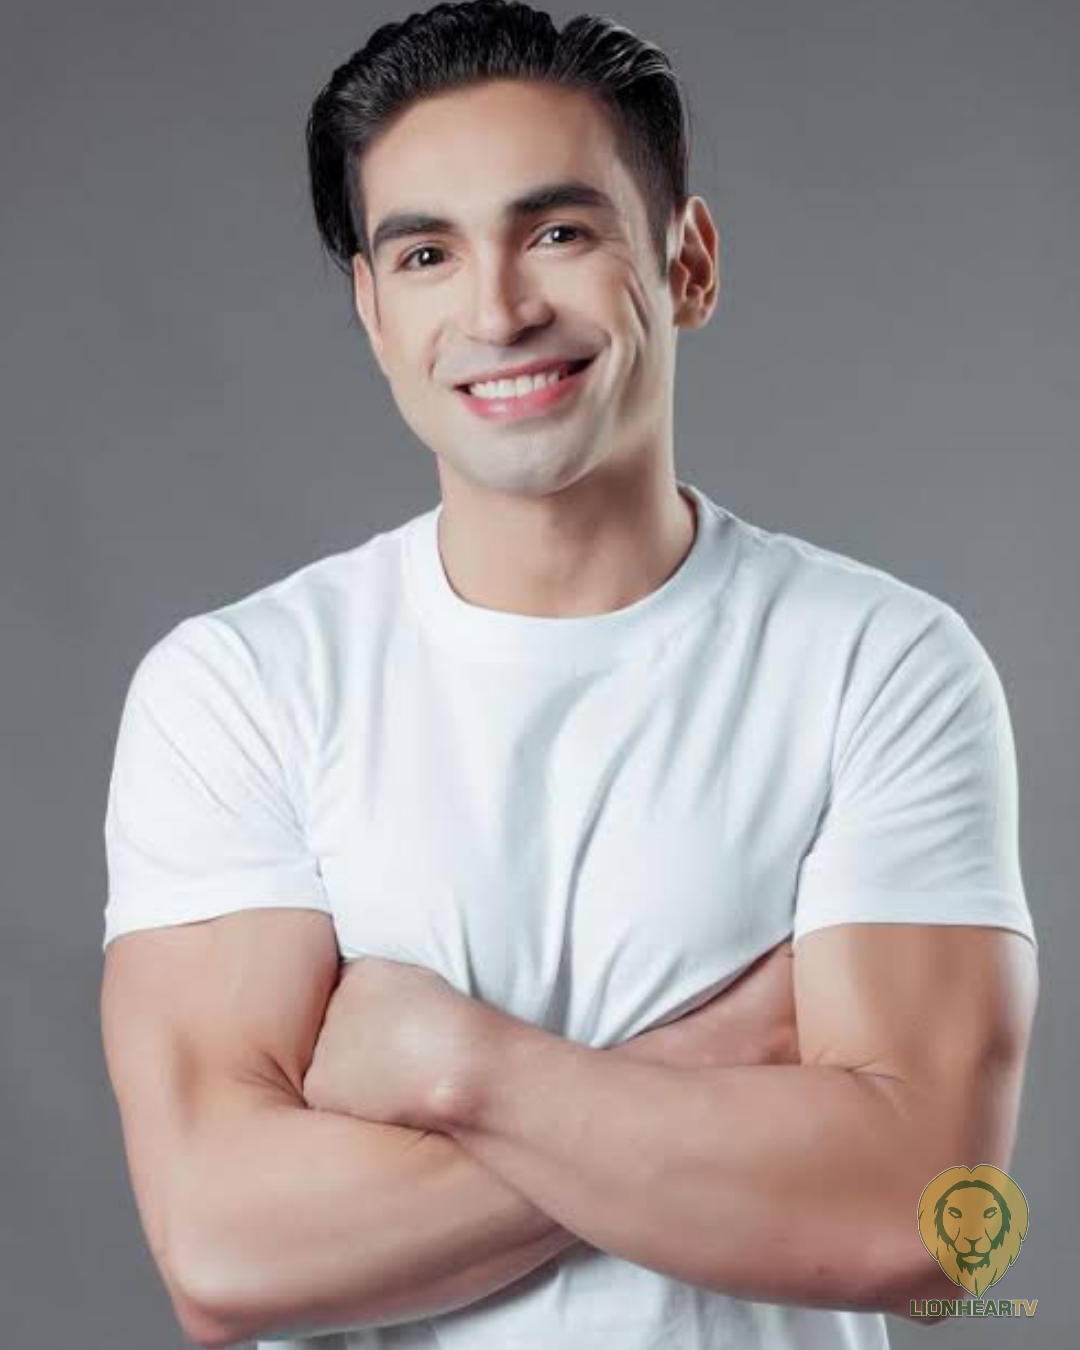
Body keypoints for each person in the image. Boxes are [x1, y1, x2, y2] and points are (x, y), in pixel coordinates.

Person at [99, 3, 1039, 1347]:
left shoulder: (878, 666)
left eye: (558, 233)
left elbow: (925, 1226)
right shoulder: (241, 688)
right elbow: (226, 1249)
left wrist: (455, 1066)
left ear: (687, 262)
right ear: (373, 309)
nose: (498, 310)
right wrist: (717, 1060)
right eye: (427, 253)